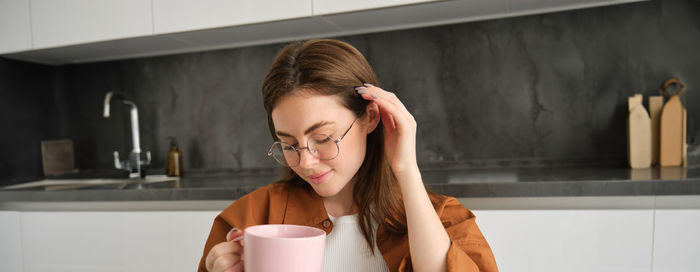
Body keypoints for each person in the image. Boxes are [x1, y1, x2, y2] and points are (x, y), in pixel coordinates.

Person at [198, 39, 498, 272]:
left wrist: (406, 170)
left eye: (324, 138)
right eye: (288, 144)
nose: (305, 161)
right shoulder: (246, 220)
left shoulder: (444, 220)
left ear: (370, 117)